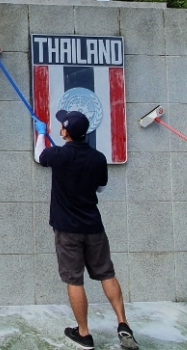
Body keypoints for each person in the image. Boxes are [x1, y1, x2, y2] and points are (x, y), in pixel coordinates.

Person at [34, 110, 139, 350]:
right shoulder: (97, 158)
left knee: (74, 280)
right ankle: (123, 324)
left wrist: (41, 134)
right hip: (93, 227)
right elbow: (100, 188)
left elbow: (41, 156)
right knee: (106, 274)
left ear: (65, 132)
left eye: (61, 126)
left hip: (67, 230)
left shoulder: (58, 155)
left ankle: (84, 334)